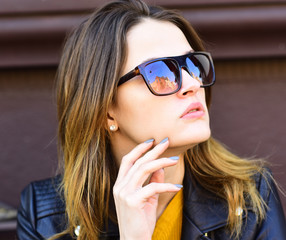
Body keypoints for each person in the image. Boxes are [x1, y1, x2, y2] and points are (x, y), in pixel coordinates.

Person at [17, 0, 286, 239]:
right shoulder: (45, 219)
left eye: (192, 65)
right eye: (160, 72)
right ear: (105, 110)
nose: (192, 84)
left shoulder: (249, 197)